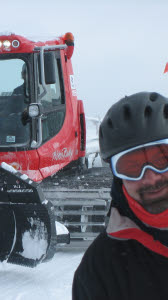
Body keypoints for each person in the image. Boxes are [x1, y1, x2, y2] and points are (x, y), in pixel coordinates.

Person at [72, 92, 168, 300]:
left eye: (161, 158)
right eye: (132, 166)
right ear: (117, 176)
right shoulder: (100, 269)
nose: (151, 178)